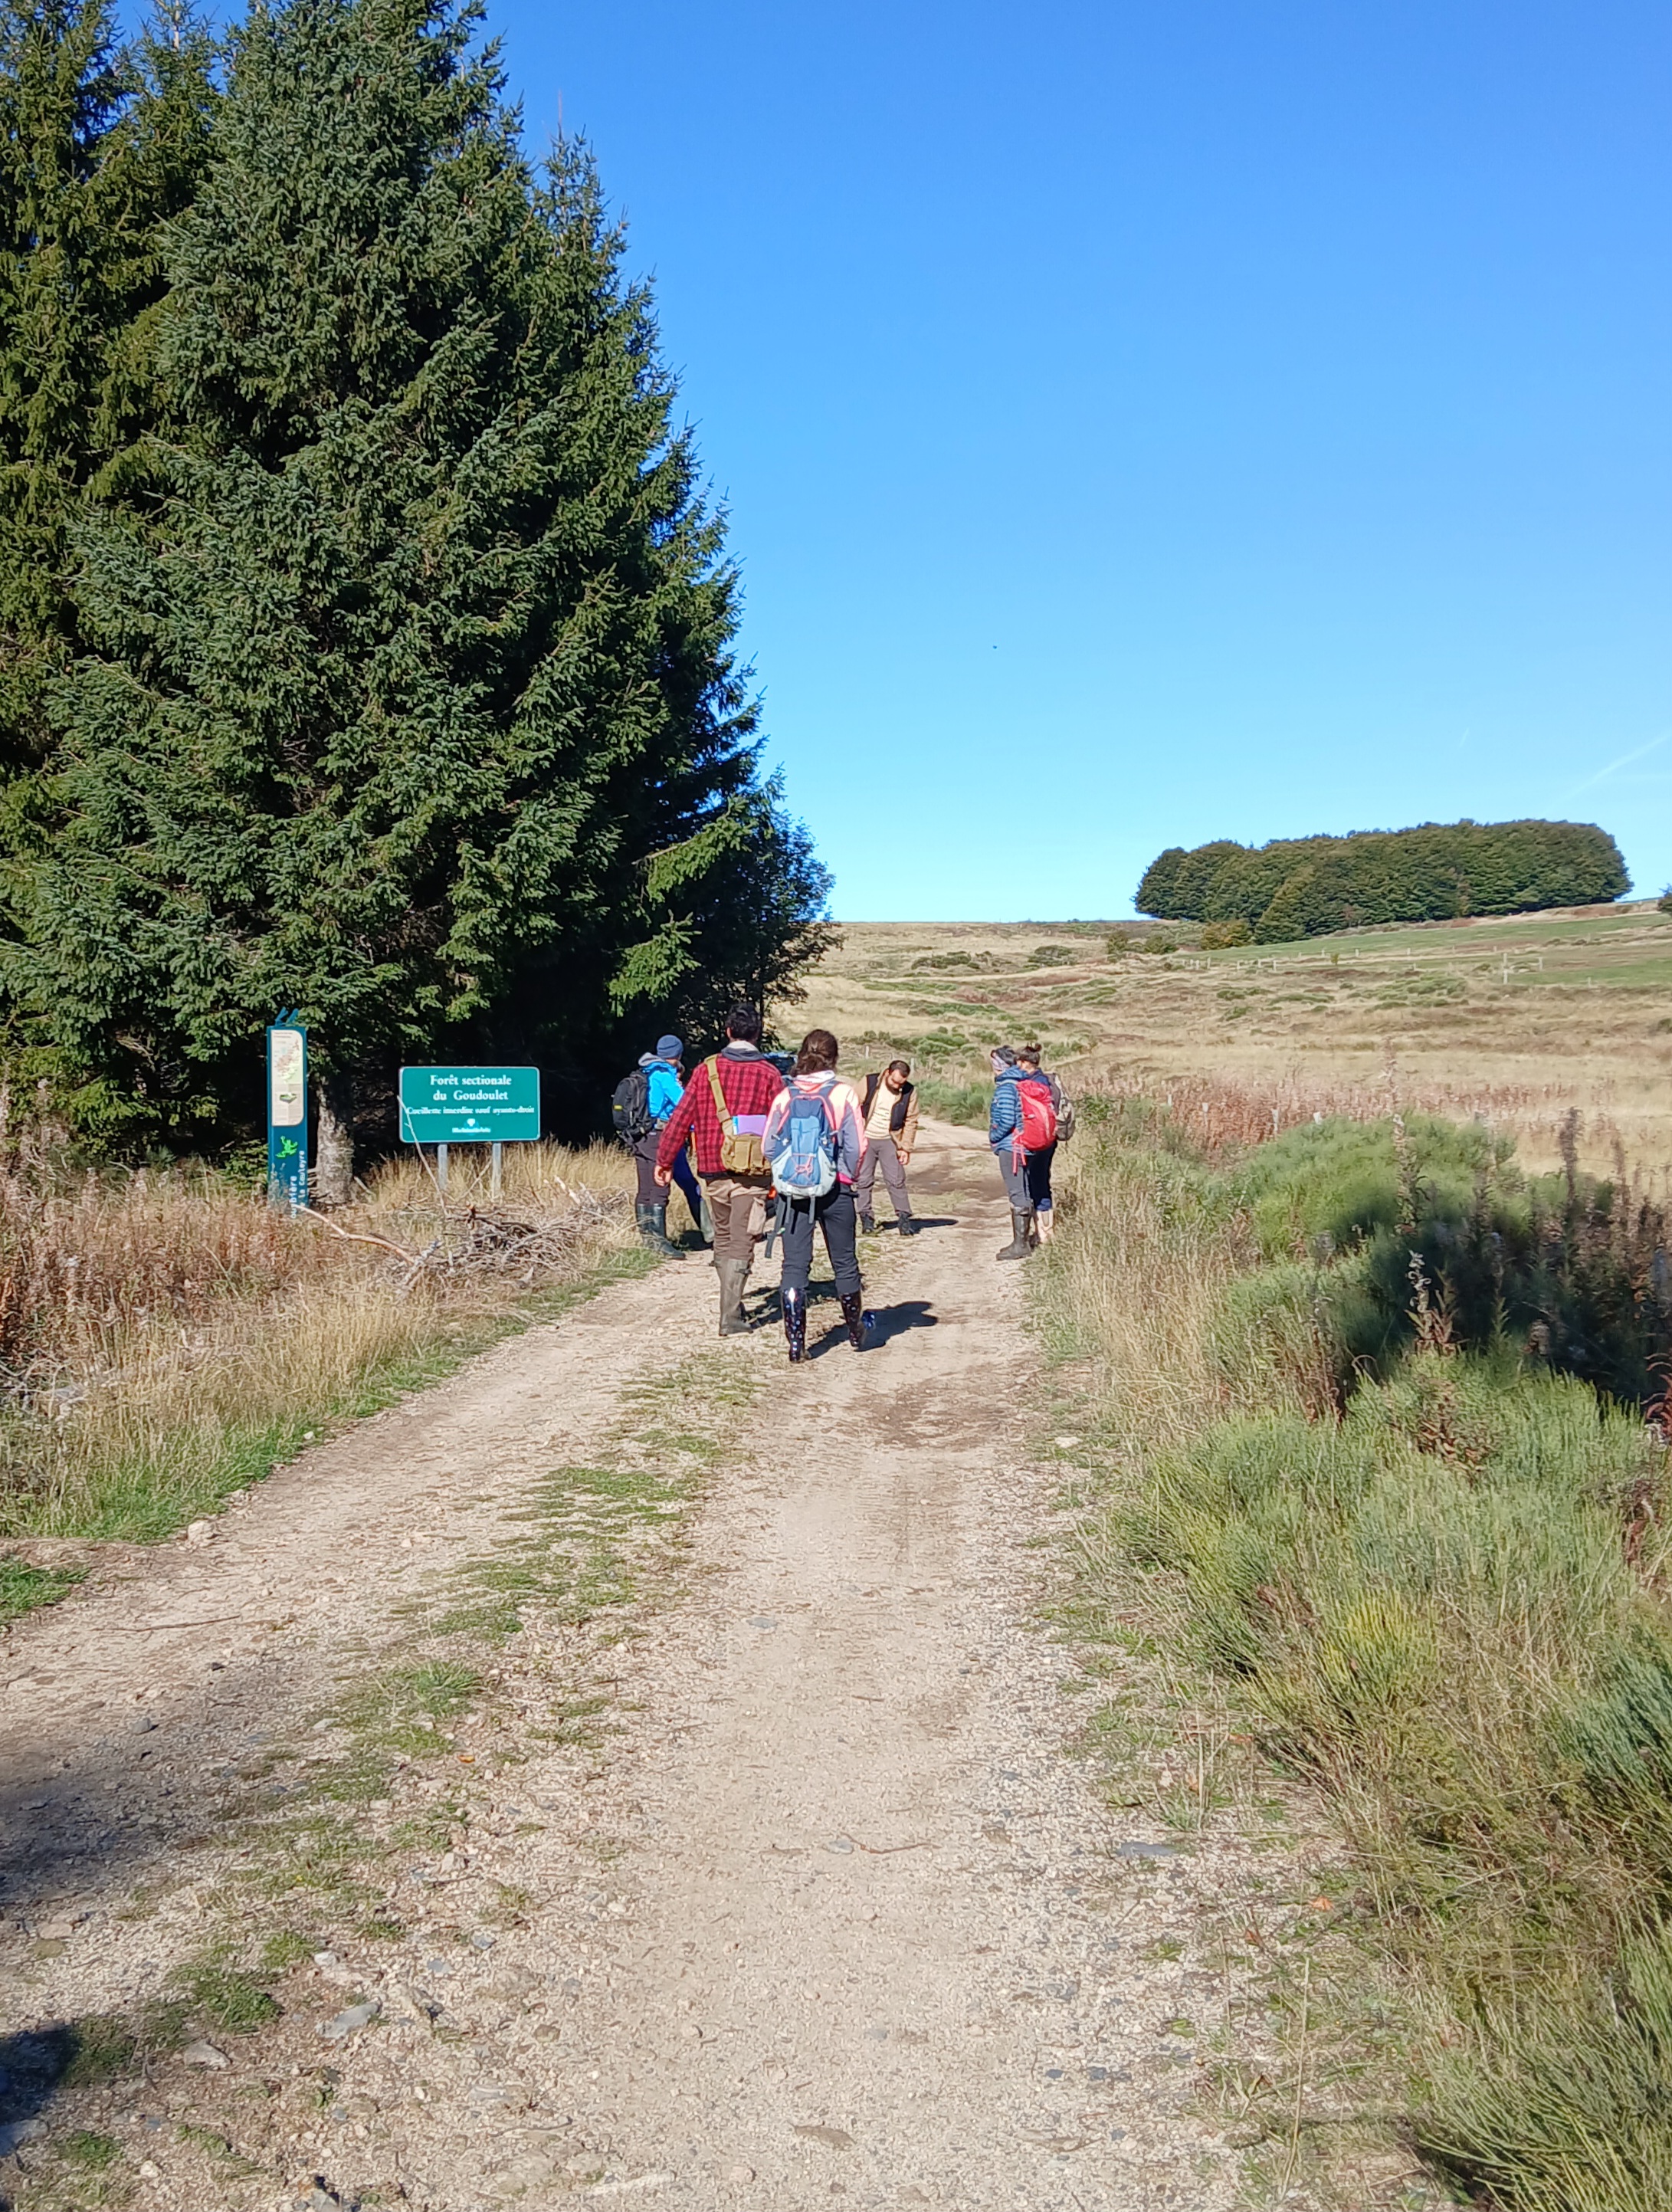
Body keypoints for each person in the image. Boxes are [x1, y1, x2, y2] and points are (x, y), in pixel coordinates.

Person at [654, 1004, 785, 1336]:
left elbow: (681, 1117)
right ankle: (730, 1317)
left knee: (724, 1238)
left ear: (728, 1032)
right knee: (743, 1241)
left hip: (713, 1168)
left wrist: (665, 1161)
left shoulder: (705, 1070)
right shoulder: (770, 1075)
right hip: (753, 1172)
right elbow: (784, 1125)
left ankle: (732, 1303)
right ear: (757, 1034)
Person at [762, 1029, 869, 1361]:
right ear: (834, 1058)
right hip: (836, 1190)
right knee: (845, 1264)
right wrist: (846, 1177)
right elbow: (858, 1146)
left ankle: (796, 1345)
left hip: (793, 1194)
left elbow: (768, 1146)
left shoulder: (785, 1095)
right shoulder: (843, 1094)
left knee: (794, 1266)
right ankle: (855, 1332)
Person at [626, 1037, 705, 1255]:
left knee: (645, 1189)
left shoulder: (647, 1071)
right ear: (678, 1054)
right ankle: (660, 1243)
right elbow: (684, 1103)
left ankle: (649, 1241)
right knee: (661, 1185)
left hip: (641, 1135)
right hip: (659, 1136)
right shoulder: (664, 1076)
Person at [988, 1044, 1057, 1259]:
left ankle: (1021, 1245)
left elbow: (1007, 1118)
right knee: (1025, 1191)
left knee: (1017, 1193)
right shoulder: (1023, 1082)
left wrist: (994, 1135)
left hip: (1012, 1147)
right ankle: (1024, 1241)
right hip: (1024, 1146)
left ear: (1000, 1065)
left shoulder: (1007, 1086)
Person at [854, 1058, 920, 1234]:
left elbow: (911, 1120)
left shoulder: (909, 1092)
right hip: (866, 1139)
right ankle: (866, 1219)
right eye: (895, 1082)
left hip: (891, 1141)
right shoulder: (869, 1082)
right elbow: (852, 1105)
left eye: (902, 1083)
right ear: (887, 1073)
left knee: (896, 1180)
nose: (898, 1086)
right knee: (864, 1180)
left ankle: (904, 1219)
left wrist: (905, 1148)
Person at [1013, 1042, 1069, 1243]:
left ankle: (1036, 1234)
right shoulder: (1049, 1082)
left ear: (1025, 1063)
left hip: (1031, 1141)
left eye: (1018, 1062)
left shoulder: (1027, 1085)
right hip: (1050, 1140)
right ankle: (1046, 1231)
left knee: (1029, 1184)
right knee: (1042, 1181)